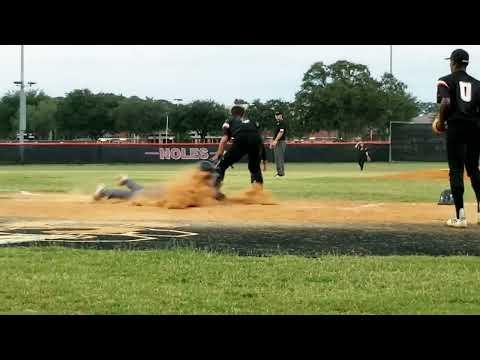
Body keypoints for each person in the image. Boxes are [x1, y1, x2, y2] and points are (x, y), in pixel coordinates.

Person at [436, 48, 480, 228]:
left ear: (453, 62)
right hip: (476, 129)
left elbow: (446, 102)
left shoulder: (445, 81)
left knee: (456, 170)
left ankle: (460, 217)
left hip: (456, 127)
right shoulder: (478, 84)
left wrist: (440, 121)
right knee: (473, 169)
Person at [93, 161, 219, 201]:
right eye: (210, 172)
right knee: (135, 196)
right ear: (203, 173)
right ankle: (104, 191)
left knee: (141, 191)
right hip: (161, 194)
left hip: (162, 190)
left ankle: (127, 180)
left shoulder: (199, 181)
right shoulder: (198, 182)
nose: (212, 175)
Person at [212, 101, 264, 197]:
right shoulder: (253, 121)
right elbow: (259, 138)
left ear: (231, 113)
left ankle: (214, 192)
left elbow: (224, 139)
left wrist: (219, 153)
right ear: (243, 113)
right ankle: (258, 193)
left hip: (241, 139)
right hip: (256, 141)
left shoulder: (229, 121)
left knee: (222, 165)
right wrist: (261, 158)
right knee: (254, 167)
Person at [270, 111, 287, 177]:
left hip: (281, 142)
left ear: (281, 115)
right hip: (276, 142)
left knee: (280, 158)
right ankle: (279, 172)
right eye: (276, 115)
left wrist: (276, 140)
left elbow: (281, 132)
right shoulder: (277, 123)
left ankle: (281, 173)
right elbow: (275, 134)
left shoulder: (282, 123)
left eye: (278, 115)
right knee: (277, 158)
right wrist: (272, 142)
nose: (277, 116)